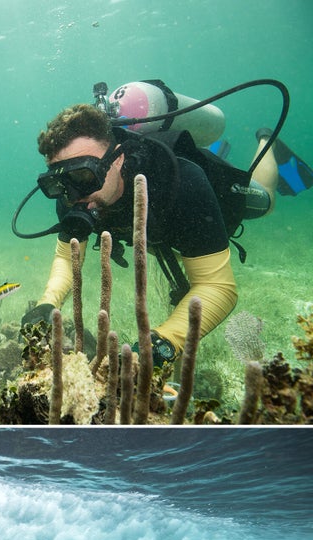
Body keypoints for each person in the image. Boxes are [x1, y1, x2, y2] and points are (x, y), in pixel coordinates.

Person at [21, 100, 306, 365]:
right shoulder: (74, 194)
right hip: (157, 229)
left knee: (265, 201)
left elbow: (218, 287)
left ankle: (265, 139)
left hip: (210, 197)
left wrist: (159, 344)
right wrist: (47, 303)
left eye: (83, 175)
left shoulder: (183, 182)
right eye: (58, 182)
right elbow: (66, 257)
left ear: (117, 158)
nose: (72, 193)